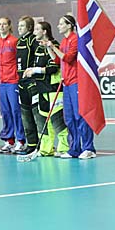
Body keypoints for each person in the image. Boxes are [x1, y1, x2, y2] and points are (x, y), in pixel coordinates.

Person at [46, 15, 96, 159]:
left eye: (61, 23)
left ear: (69, 25)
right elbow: (57, 60)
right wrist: (50, 48)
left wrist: (53, 47)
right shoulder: (63, 41)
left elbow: (68, 58)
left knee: (80, 116)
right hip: (66, 84)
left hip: (76, 82)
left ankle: (88, 148)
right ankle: (74, 148)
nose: (58, 26)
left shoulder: (75, 39)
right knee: (69, 118)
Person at [27, 21, 69, 157]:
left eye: (37, 29)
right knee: (43, 120)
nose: (34, 32)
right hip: (41, 89)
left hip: (53, 88)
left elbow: (53, 68)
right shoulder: (38, 48)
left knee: (57, 120)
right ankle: (46, 149)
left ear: (44, 31)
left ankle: (64, 148)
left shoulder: (54, 45)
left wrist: (36, 70)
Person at [0, 17, 25, 152]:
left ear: (9, 26)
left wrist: (17, 77)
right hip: (2, 82)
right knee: (5, 111)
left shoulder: (14, 41)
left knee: (15, 111)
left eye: (4, 24)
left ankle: (21, 140)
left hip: (13, 81)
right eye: (0, 24)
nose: (2, 26)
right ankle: (9, 140)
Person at [16, 15, 41, 155]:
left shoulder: (33, 40)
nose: (19, 28)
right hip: (21, 83)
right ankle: (31, 144)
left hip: (32, 83)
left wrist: (33, 73)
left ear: (29, 27)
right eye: (18, 26)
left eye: (22, 26)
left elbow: (38, 59)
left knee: (36, 114)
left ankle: (42, 144)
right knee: (25, 115)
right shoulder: (19, 41)